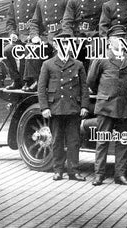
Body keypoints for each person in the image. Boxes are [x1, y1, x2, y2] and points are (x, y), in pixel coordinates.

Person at [87, 25, 127, 186]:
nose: (121, 41)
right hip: (106, 105)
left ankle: (120, 175)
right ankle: (99, 175)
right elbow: (91, 81)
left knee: (123, 141)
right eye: (117, 38)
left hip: (124, 106)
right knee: (102, 141)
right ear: (109, 41)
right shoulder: (102, 58)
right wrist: (103, 94)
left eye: (123, 38)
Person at [37, 33, 90, 181]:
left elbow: (84, 87)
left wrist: (84, 105)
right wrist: (44, 108)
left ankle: (74, 171)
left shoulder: (78, 64)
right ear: (56, 45)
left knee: (74, 141)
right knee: (57, 140)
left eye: (67, 44)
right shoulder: (48, 64)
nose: (65, 47)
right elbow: (41, 88)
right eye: (62, 44)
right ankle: (58, 170)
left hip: (73, 108)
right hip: (56, 108)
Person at [28, 0, 70, 91]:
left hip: (61, 34)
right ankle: (38, 80)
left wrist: (64, 36)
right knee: (32, 49)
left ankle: (56, 84)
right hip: (47, 36)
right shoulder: (41, 3)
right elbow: (35, 22)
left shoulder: (65, 0)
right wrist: (35, 36)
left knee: (61, 55)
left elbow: (69, 21)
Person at [3, 0, 41, 90]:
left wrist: (35, 35)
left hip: (32, 36)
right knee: (7, 50)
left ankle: (29, 81)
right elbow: (10, 22)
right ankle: (16, 80)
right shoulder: (15, 2)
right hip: (19, 37)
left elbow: (41, 22)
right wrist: (12, 33)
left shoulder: (38, 0)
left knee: (28, 50)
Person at [62, 0, 104, 69]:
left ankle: (91, 81)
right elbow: (67, 22)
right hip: (77, 35)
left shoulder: (101, 2)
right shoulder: (74, 1)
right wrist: (70, 37)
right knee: (68, 51)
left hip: (93, 36)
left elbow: (104, 22)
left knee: (97, 51)